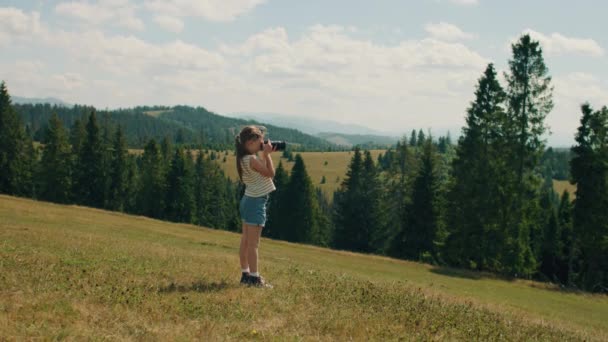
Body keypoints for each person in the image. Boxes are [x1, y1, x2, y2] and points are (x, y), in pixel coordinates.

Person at [235, 126, 276, 288]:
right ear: (251, 142)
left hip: (248, 201)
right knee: (253, 245)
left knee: (245, 242)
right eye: (260, 141)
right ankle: (254, 279)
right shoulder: (251, 159)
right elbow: (270, 173)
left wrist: (263, 154)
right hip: (255, 203)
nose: (263, 143)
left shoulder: (243, 158)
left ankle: (246, 275)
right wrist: (266, 155)